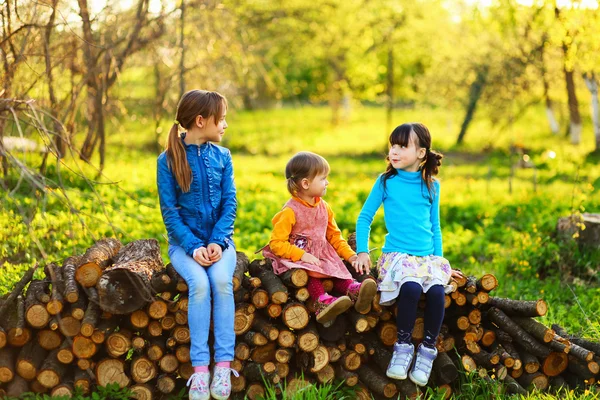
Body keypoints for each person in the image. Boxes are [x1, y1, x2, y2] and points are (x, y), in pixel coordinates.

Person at [354, 123, 463, 387]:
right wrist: (361, 251)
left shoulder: (431, 186)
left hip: (426, 259)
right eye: (393, 145)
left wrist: (441, 262)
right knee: (411, 288)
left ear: (421, 153)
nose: (394, 150)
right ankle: (402, 347)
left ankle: (426, 351)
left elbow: (435, 228)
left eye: (402, 146)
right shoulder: (386, 182)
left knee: (437, 292)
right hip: (397, 256)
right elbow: (364, 218)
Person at [157, 89, 238, 400]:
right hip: (184, 246)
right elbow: (170, 212)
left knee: (220, 281)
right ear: (201, 120)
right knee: (199, 284)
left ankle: (223, 366)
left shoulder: (223, 156)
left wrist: (218, 241)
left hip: (220, 244)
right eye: (222, 118)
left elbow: (230, 203)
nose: (225, 125)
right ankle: (201, 369)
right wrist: (192, 246)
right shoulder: (167, 161)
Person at [262, 151, 377, 325]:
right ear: (306, 183)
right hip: (297, 257)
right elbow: (276, 243)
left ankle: (352, 289)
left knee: (336, 267)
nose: (327, 182)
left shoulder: (324, 208)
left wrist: (350, 256)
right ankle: (321, 302)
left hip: (321, 254)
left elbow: (334, 236)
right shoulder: (290, 211)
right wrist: (302, 255)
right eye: (323, 178)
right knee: (311, 272)